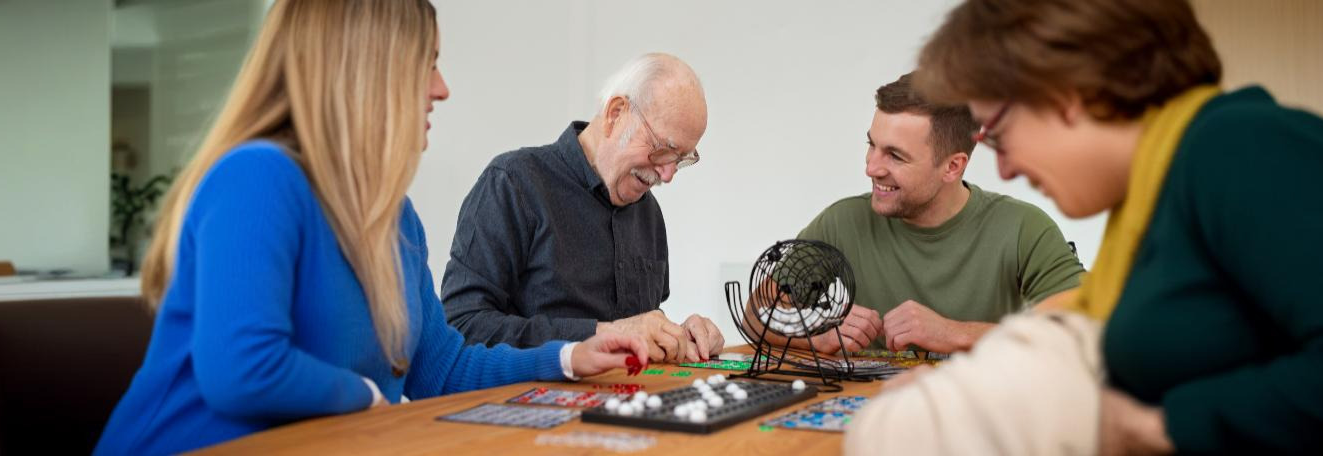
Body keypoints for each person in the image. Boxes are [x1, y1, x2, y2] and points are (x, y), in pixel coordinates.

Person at [848, 0, 1323, 454]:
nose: (1005, 167)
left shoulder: (1244, 149)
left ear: (1065, 91)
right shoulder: (1154, 200)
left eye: (996, 134)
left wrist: (1152, 430)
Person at [94, 2, 646, 454]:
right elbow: (243, 370)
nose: (442, 88)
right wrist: (366, 396)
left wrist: (568, 357)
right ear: (364, 73)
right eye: (426, 63)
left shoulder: (394, 216)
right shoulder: (257, 177)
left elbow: (442, 368)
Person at [752, 73, 1083, 356]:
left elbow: (1085, 334)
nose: (871, 167)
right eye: (872, 145)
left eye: (895, 155)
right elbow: (756, 315)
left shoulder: (1023, 228)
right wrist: (814, 333)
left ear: (952, 167)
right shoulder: (841, 223)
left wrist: (953, 334)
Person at [442, 53, 725, 363]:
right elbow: (461, 326)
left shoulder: (649, 213)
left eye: (681, 159)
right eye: (663, 150)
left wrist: (676, 336)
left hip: (629, 403)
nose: (667, 175)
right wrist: (600, 334)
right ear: (616, 113)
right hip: (532, 405)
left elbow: (636, 329)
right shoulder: (513, 183)